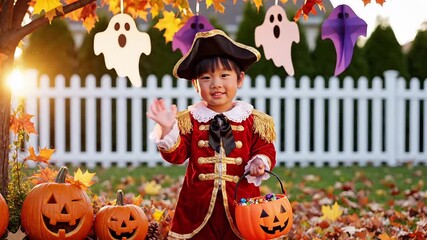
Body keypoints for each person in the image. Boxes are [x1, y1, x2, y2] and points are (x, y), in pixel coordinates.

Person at [147, 29, 276, 239]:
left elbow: (265, 148)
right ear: (195, 84)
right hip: (196, 208)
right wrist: (169, 129)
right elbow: (176, 156)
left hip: (242, 206)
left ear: (240, 79)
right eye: (206, 78)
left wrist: (259, 161)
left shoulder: (254, 120)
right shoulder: (190, 120)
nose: (216, 83)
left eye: (224, 75)